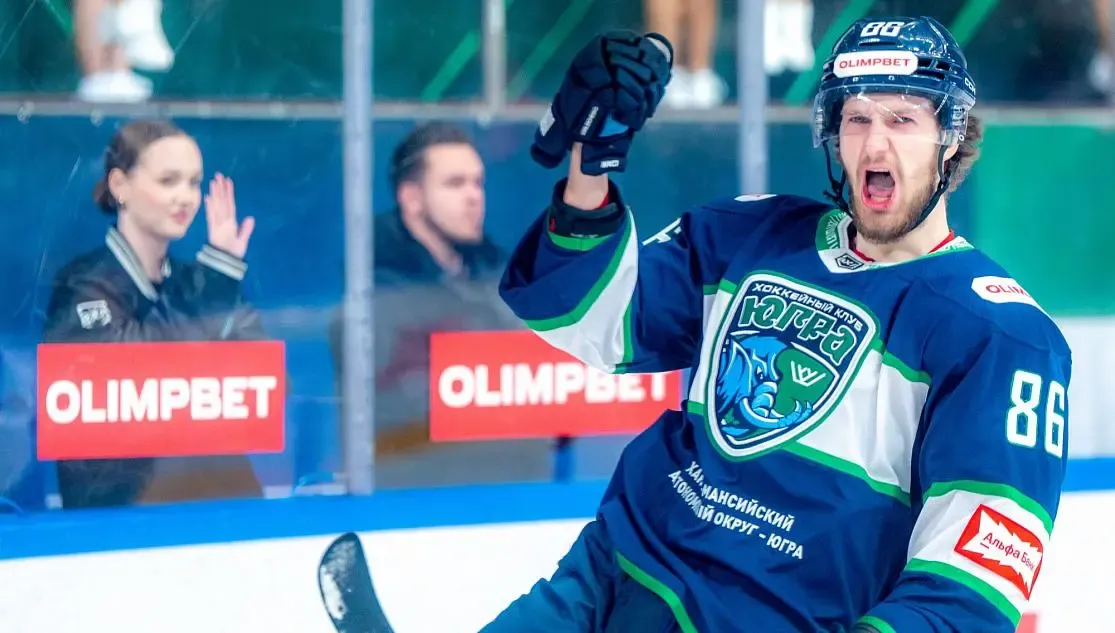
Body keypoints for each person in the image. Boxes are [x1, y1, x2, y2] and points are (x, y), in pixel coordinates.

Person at [486, 20, 1070, 632]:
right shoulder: (752, 234)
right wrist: (591, 167)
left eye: (902, 120)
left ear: (950, 138)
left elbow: (972, 586)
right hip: (606, 580)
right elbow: (589, 319)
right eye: (857, 119)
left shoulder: (1001, 336)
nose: (875, 145)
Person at [42, 118, 265, 508]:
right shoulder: (83, 285)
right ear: (120, 185)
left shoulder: (201, 281)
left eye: (194, 183)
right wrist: (217, 279)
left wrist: (217, 279)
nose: (186, 197)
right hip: (124, 521)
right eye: (168, 181)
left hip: (219, 510)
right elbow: (141, 375)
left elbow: (263, 378)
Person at [328, 122, 535, 487]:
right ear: (412, 198)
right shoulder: (374, 289)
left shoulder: (497, 271)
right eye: (455, 184)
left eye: (478, 183)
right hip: (418, 490)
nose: (473, 196)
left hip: (511, 483)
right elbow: (408, 405)